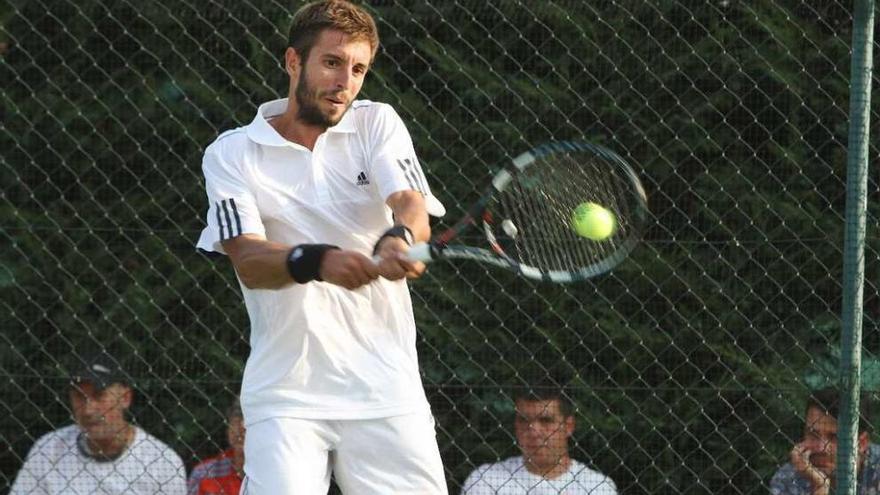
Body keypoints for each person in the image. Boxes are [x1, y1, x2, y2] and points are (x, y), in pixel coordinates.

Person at [194, 1, 448, 493]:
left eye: (358, 69)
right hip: (287, 397)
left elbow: (410, 204)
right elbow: (249, 261)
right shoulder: (231, 153)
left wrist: (400, 238)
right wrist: (316, 260)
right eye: (331, 62)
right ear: (294, 62)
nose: (345, 82)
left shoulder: (378, 123)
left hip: (386, 389)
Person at [10, 351, 186, 494]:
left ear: (125, 398)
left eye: (99, 395)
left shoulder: (162, 463)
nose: (88, 409)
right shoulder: (48, 450)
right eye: (79, 396)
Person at [461, 384, 617, 494]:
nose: (533, 430)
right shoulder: (486, 481)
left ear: (568, 426)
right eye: (524, 420)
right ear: (516, 425)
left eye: (546, 420)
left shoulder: (597, 487)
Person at [770, 388, 880, 495]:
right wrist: (819, 488)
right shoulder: (788, 478)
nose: (821, 447)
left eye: (834, 437)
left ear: (862, 443)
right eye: (813, 434)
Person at [187, 396, 245, 495]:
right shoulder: (204, 473)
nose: (242, 427)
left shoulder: (276, 473)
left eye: (251, 421)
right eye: (236, 420)